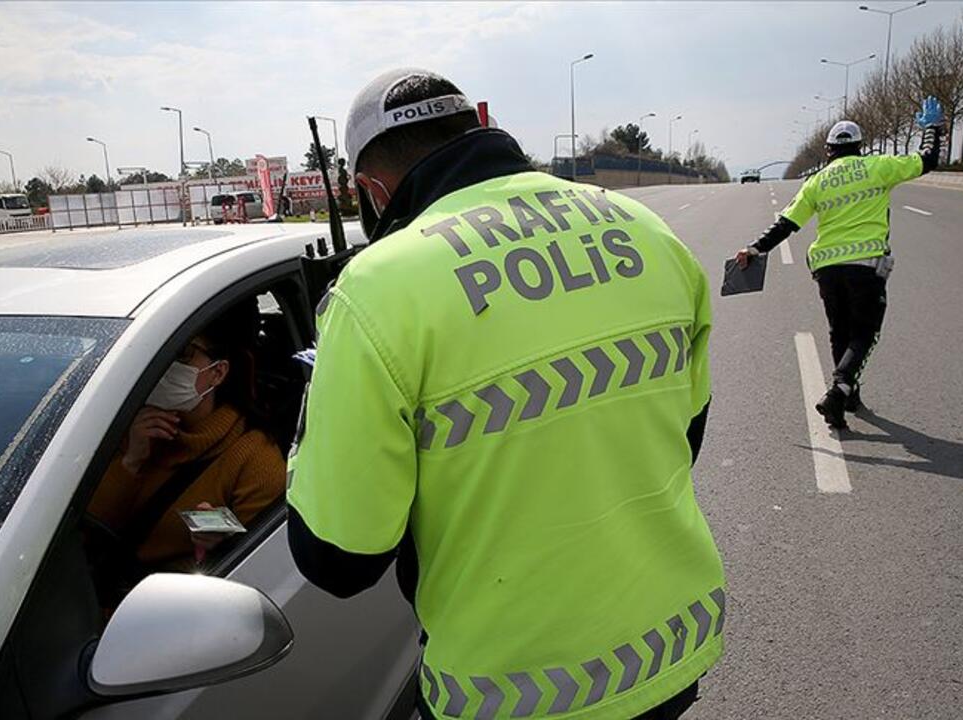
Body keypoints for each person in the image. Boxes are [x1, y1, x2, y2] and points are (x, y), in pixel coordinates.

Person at [286, 69, 725, 720]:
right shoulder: (647, 231)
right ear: (479, 130)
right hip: (670, 647)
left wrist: (313, 412)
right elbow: (683, 437)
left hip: (513, 692)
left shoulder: (375, 292)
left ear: (372, 191)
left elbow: (338, 560)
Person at [736, 97, 945, 429]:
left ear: (828, 150)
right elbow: (927, 159)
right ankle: (839, 391)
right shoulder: (879, 166)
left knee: (840, 332)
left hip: (827, 269)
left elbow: (786, 224)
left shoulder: (817, 181)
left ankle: (848, 397)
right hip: (866, 265)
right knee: (864, 333)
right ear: (860, 147)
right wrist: (932, 129)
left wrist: (754, 249)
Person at [87, 300, 284, 576]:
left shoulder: (255, 457)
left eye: (182, 354)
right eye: (158, 350)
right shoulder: (122, 423)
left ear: (217, 373)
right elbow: (86, 534)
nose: (164, 364)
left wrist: (223, 541)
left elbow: (264, 567)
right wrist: (130, 462)